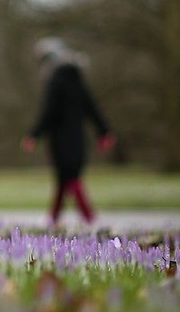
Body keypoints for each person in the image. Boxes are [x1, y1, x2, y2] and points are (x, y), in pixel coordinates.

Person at [21, 37, 115, 226]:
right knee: (64, 178)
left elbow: (49, 112)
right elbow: (91, 107)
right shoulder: (77, 79)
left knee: (70, 177)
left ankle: (89, 217)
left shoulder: (55, 81)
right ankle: (54, 217)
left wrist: (33, 135)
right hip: (78, 137)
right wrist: (103, 131)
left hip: (60, 139)